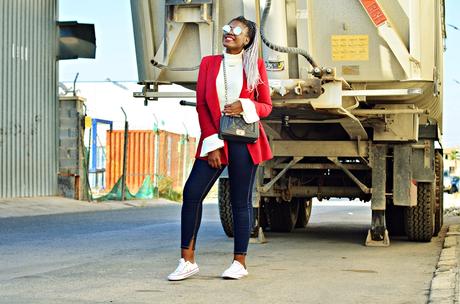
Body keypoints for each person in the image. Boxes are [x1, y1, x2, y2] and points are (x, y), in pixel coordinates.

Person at [168, 16, 272, 281]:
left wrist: (244, 105)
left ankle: (239, 262)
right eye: (227, 28)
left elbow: (266, 107)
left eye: (237, 30)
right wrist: (211, 143)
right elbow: (203, 104)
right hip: (215, 138)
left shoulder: (255, 66)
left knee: (240, 201)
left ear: (247, 39)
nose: (229, 32)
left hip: (244, 140)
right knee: (192, 193)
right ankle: (187, 260)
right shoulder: (209, 64)